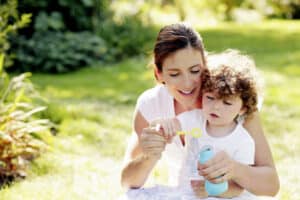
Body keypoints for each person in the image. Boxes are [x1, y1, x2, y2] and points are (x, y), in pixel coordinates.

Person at [120, 23, 279, 197]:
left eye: (195, 70)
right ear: (159, 74)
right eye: (174, 74)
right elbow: (128, 183)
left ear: (205, 64)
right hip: (187, 194)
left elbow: (271, 186)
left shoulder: (233, 102)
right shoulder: (151, 105)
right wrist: (149, 157)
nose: (188, 83)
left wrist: (236, 169)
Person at [173, 50, 260, 199]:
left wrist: (209, 191)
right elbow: (174, 124)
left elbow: (238, 188)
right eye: (210, 98)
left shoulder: (243, 141)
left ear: (242, 109)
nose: (216, 107)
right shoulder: (196, 119)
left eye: (227, 102)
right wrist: (161, 127)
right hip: (187, 194)